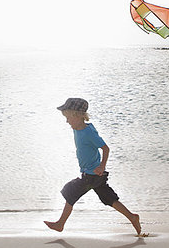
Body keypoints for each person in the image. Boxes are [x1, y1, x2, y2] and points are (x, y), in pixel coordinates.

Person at [44, 98, 141, 235]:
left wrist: (102, 166)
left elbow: (105, 148)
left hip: (92, 175)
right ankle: (132, 217)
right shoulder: (78, 128)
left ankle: (60, 224)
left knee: (70, 191)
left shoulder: (88, 132)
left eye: (68, 118)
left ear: (77, 116)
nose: (67, 121)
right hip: (93, 175)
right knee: (109, 198)